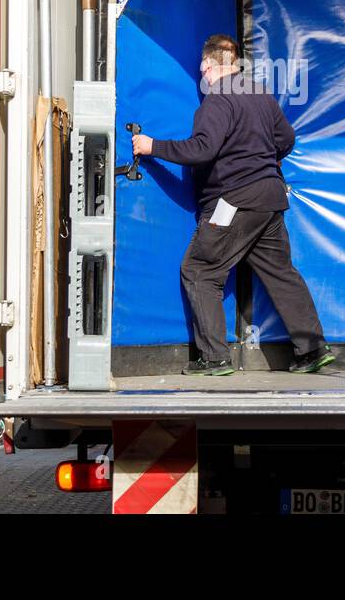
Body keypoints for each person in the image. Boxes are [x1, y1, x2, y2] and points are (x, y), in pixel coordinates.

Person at [133, 33, 334, 377]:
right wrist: (260, 162)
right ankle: (312, 350)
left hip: (232, 201)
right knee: (280, 272)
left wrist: (153, 147)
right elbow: (286, 139)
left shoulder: (215, 102)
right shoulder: (260, 95)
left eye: (201, 68)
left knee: (200, 270)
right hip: (270, 199)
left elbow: (201, 150)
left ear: (209, 66)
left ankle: (215, 358)